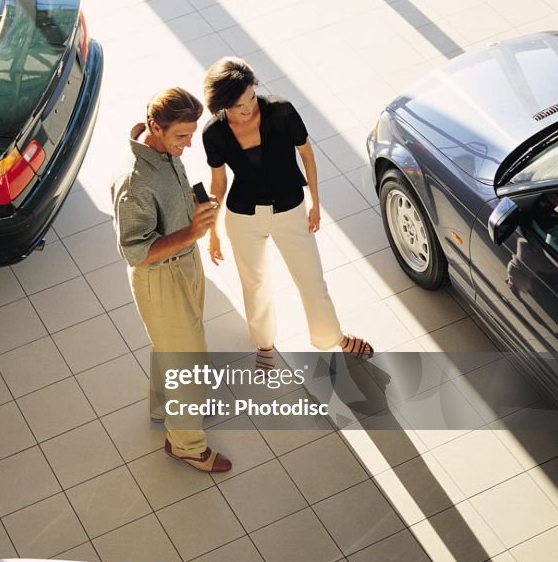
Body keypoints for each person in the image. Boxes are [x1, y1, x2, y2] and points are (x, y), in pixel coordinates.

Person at [202, 57, 373, 367]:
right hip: (243, 216)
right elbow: (218, 183)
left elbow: (306, 154)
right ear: (222, 105)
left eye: (252, 97)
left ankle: (332, 337)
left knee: (311, 280)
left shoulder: (282, 111)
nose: (249, 108)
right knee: (254, 284)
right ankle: (264, 343)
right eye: (239, 105)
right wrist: (212, 232)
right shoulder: (213, 133)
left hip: (290, 207)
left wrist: (316, 204)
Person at [111, 87, 232, 474]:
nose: (189, 144)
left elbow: (175, 194)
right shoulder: (134, 182)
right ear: (154, 127)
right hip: (159, 275)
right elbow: (136, 252)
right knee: (189, 359)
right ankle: (187, 445)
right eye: (181, 136)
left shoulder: (165, 153)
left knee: (176, 347)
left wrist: (196, 208)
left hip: (185, 263)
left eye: (191, 134)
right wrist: (191, 234)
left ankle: (167, 408)